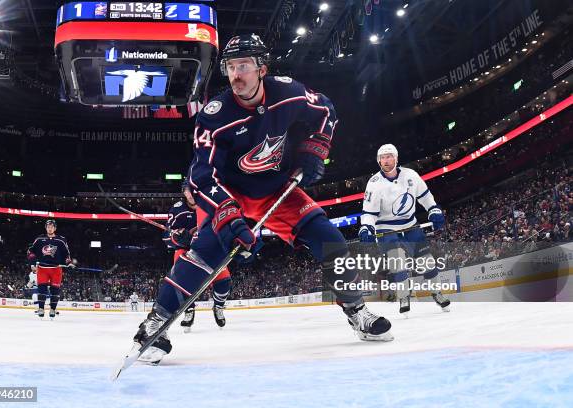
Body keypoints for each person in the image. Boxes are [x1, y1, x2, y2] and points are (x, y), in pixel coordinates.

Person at [131, 33, 393, 365]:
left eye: (243, 66)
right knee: (201, 257)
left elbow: (326, 110)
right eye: (230, 67)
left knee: (332, 242)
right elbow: (200, 175)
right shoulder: (214, 115)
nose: (236, 75)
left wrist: (316, 149)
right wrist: (226, 213)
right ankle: (154, 324)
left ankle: (357, 310)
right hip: (230, 195)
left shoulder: (289, 92)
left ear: (262, 69)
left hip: (277, 190)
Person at [359, 144, 451, 316]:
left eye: (389, 156)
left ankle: (437, 293)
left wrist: (433, 209)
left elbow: (425, 197)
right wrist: (366, 228)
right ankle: (403, 296)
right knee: (397, 264)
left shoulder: (411, 175)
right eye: (382, 158)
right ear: (379, 161)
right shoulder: (374, 183)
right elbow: (369, 212)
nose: (386, 161)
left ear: (396, 158)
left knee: (427, 262)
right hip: (386, 227)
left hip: (410, 224)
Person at [165, 179, 231, 332]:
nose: (192, 193)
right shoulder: (176, 210)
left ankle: (218, 307)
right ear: (184, 191)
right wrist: (176, 237)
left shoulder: (212, 205)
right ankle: (188, 309)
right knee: (180, 279)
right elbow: (166, 237)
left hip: (209, 249)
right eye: (188, 189)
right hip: (186, 250)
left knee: (224, 281)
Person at [26, 219, 75, 319]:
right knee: (42, 290)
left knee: (55, 291)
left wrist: (69, 263)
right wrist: (32, 264)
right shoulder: (39, 239)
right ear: (46, 228)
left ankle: (52, 309)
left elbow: (67, 255)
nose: (50, 228)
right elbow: (30, 251)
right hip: (42, 269)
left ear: (55, 228)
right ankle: (41, 308)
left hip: (56, 269)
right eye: (48, 226)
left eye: (52, 226)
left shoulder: (61, 240)